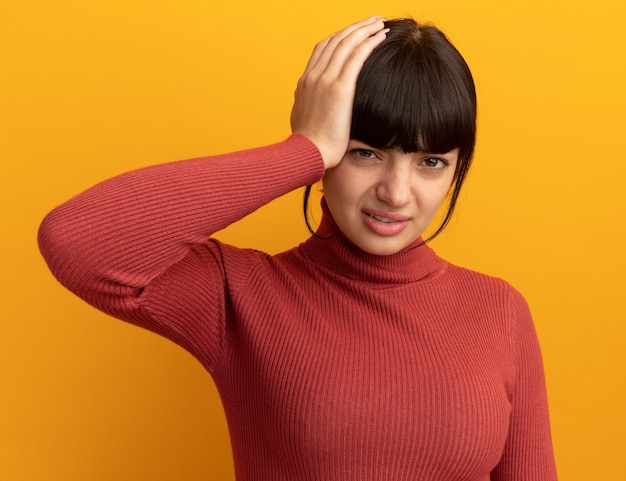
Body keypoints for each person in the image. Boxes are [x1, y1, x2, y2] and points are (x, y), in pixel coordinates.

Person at [38, 16, 557, 481]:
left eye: (431, 162)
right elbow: (76, 239)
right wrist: (302, 151)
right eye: (366, 153)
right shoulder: (240, 297)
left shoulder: (500, 311)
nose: (397, 193)